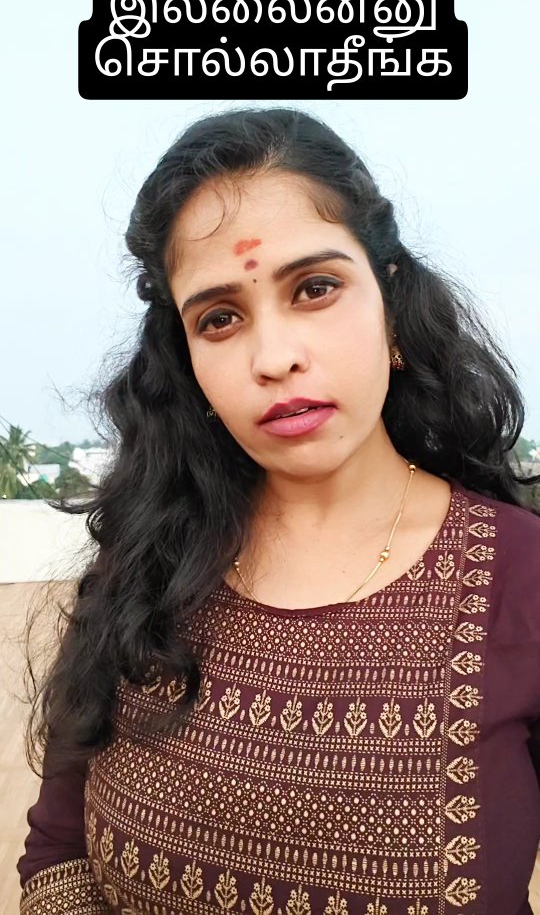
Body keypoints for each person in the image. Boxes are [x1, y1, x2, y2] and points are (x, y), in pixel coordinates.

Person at [17, 107, 540, 915]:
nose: (274, 357)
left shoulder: (522, 577)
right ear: (188, 361)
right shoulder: (149, 559)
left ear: (392, 306)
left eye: (316, 288)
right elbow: (58, 854)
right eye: (219, 318)